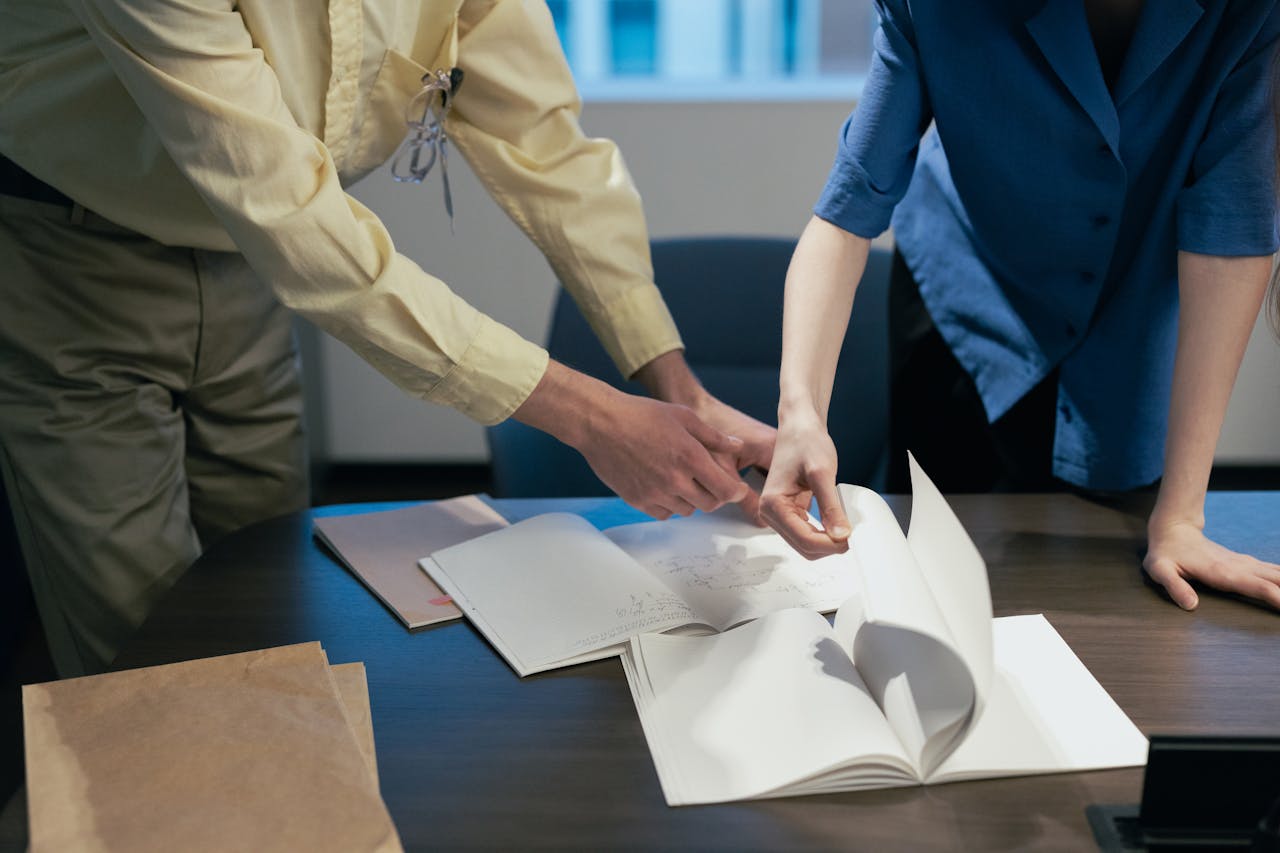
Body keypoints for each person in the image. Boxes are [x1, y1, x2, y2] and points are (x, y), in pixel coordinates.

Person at [0, 0, 774, 677]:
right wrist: (594, 418)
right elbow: (297, 224)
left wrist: (677, 385)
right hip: (73, 260)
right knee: (143, 653)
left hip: (255, 273)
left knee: (267, 606)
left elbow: (542, 141)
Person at [761, 0, 1280, 612]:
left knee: (1130, 588)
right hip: (967, 295)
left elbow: (1232, 227)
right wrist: (799, 414)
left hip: (1133, 310)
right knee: (931, 574)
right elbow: (847, 212)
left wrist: (1184, 517)